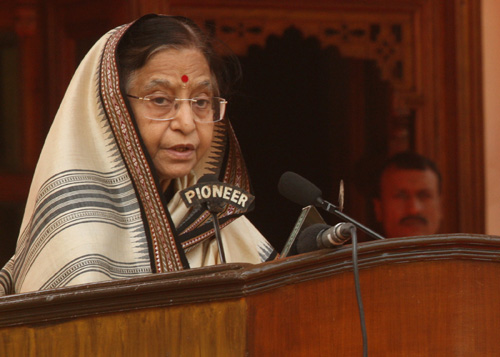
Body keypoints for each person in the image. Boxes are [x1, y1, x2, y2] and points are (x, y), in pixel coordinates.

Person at [0, 14, 276, 295]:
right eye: (160, 100)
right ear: (112, 108)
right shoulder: (77, 239)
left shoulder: (214, 219)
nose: (187, 122)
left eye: (201, 101)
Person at [372, 151, 443, 238]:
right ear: (378, 208)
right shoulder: (355, 251)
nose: (414, 209)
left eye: (424, 195)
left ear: (440, 206)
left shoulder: (461, 251)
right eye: (401, 196)